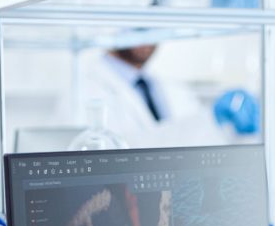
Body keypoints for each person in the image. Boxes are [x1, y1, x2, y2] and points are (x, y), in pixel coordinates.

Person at [73, 44, 257, 148]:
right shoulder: (82, 91)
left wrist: (229, 129)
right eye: (138, 24)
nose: (147, 37)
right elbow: (124, 153)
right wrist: (209, 119)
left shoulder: (169, 86)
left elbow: (195, 147)